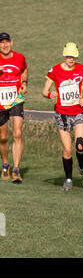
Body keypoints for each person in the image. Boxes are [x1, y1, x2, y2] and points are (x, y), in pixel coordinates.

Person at [42, 42, 83, 191]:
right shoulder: (55, 70)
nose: (71, 59)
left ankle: (82, 168)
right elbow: (45, 90)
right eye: (68, 56)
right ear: (64, 55)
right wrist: (49, 94)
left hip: (78, 112)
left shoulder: (82, 69)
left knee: (80, 144)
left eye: (73, 57)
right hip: (62, 114)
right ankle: (68, 179)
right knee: (67, 149)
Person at [0, 33, 28, 183]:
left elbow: (24, 70)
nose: (4, 45)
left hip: (16, 99)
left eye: (7, 42)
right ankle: (5, 165)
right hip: (0, 102)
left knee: (17, 134)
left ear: (11, 43)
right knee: (3, 137)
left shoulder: (19, 57)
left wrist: (24, 83)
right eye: (1, 42)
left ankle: (16, 170)